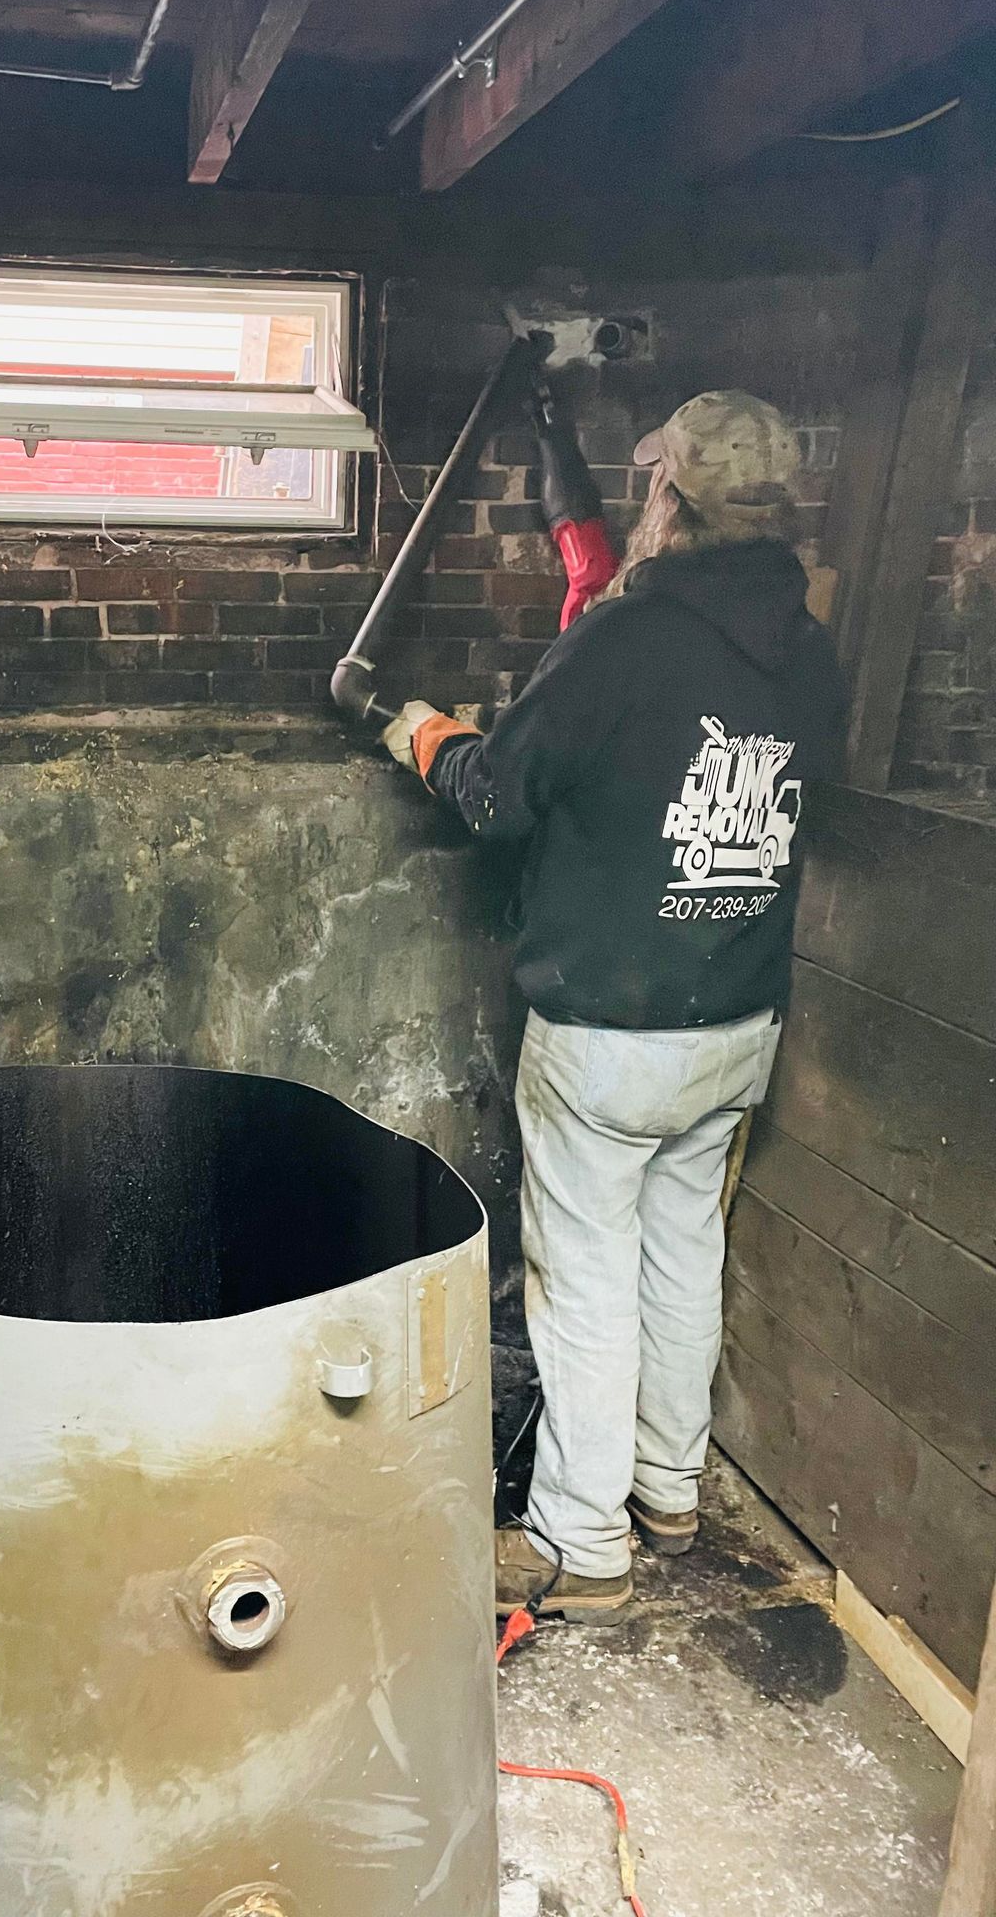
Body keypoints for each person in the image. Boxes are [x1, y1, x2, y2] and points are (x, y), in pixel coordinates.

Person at [383, 390, 847, 1622]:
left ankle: (581, 1541)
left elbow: (497, 794)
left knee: (583, 1275)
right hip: (735, 1020)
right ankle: (668, 1486)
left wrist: (421, 731)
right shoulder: (809, 650)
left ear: (668, 496)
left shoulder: (624, 640)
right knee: (684, 1249)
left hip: (607, 1028)